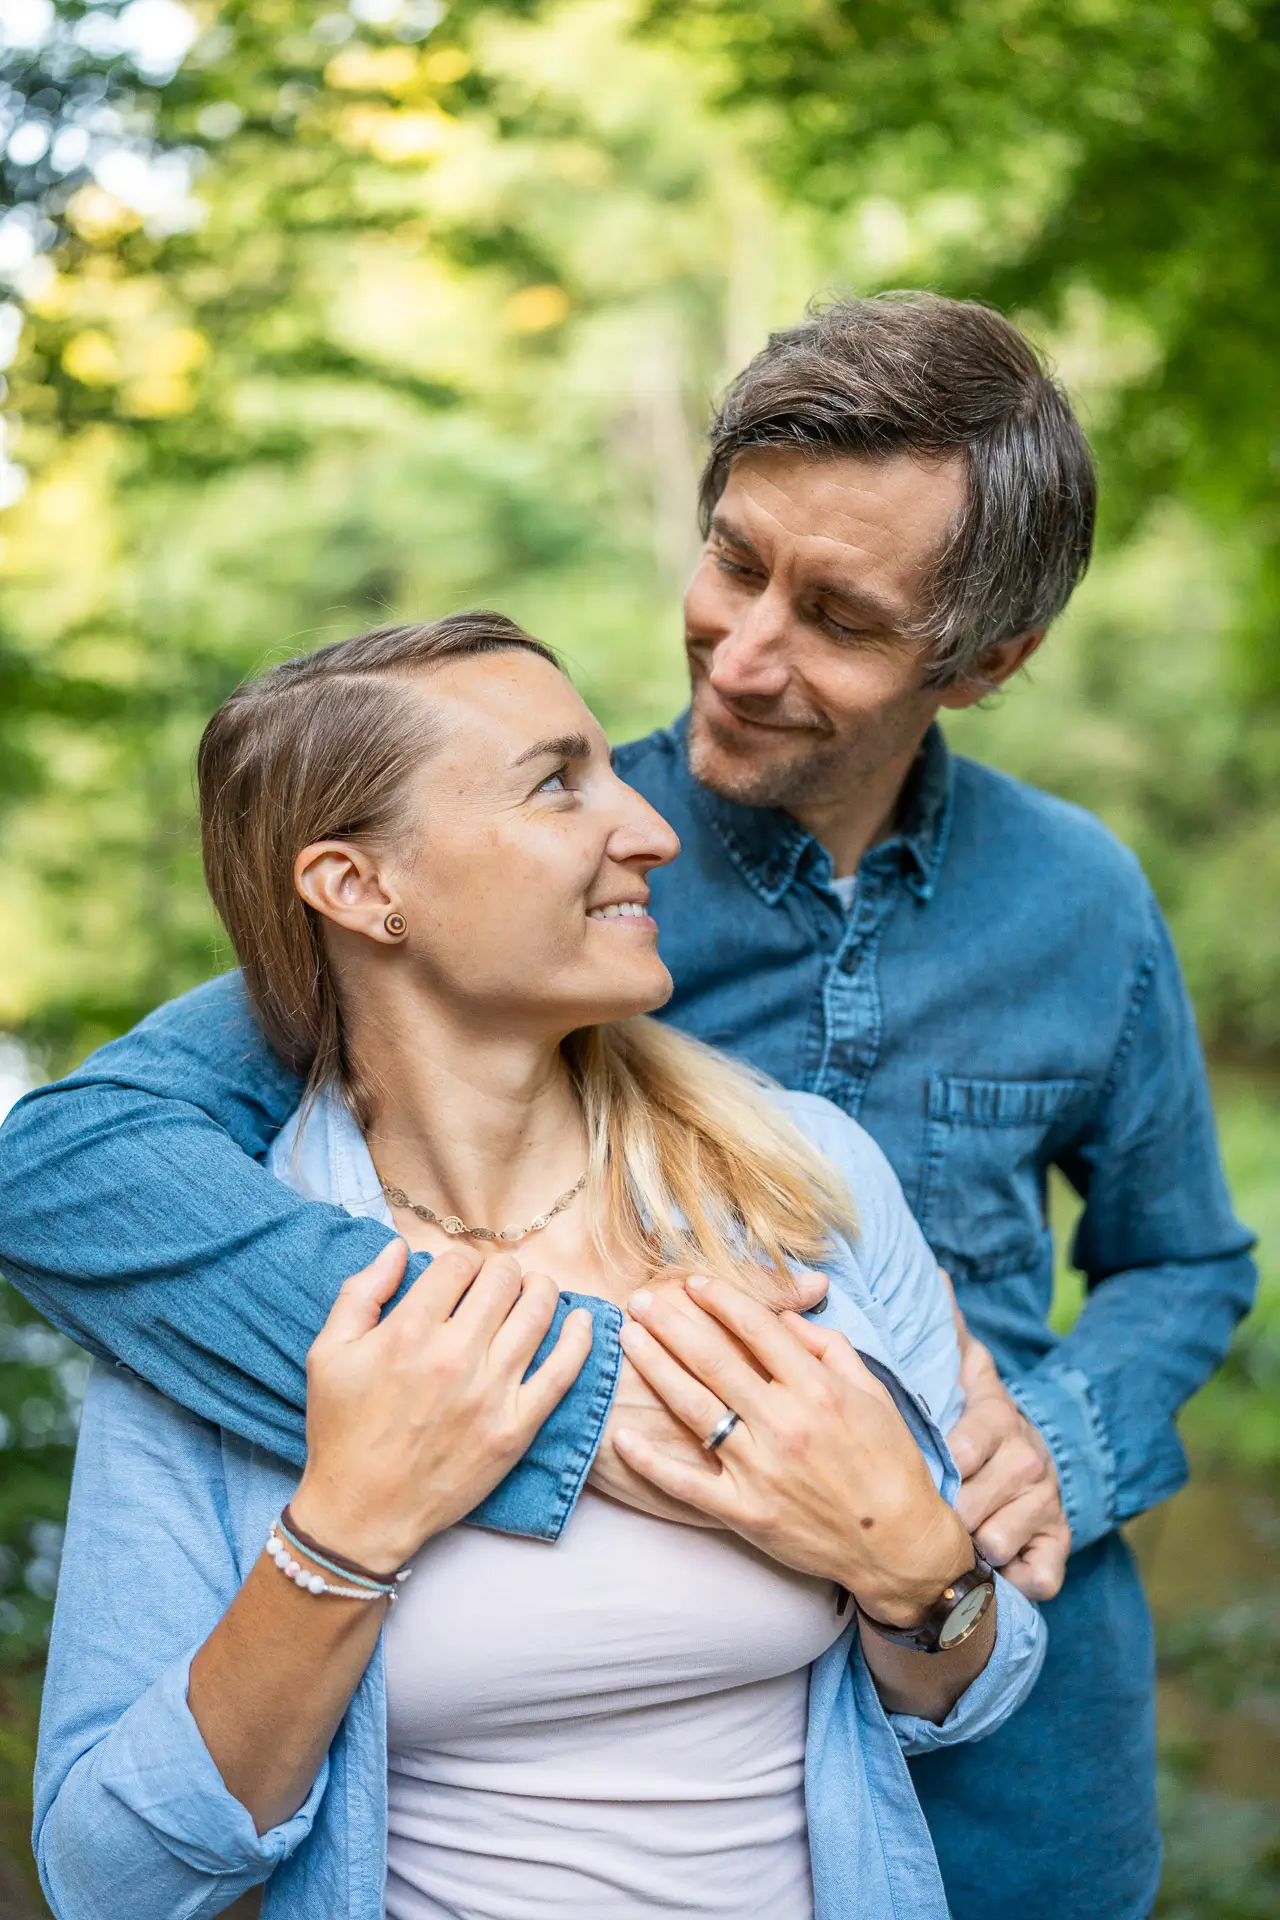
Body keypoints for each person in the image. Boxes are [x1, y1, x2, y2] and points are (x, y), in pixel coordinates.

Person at [0, 293, 1255, 1920]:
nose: (743, 651)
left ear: (985, 661)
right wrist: (560, 1389)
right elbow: (73, 1165)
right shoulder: (526, 883)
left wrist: (1048, 1458)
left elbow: (1185, 1259)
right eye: (735, 561)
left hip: (1005, 1718)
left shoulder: (1082, 899)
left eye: (839, 617)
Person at [31, 615, 1043, 1920]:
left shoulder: (801, 1178)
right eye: (557, 782)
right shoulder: (213, 1286)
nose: (653, 829)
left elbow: (981, 1682)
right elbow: (108, 1878)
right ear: (358, 887)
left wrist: (920, 1570)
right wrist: (343, 1539)